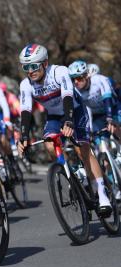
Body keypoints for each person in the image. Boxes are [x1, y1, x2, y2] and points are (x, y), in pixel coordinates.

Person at [17, 44, 111, 215]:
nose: (30, 71)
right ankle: (73, 174)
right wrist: (23, 136)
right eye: (26, 67)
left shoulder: (59, 72)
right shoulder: (26, 84)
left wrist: (68, 121)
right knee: (50, 146)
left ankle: (103, 195)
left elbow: (67, 95)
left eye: (34, 66)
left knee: (83, 150)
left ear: (45, 63)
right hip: (54, 116)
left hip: (74, 111)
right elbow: (25, 111)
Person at [68, 60, 121, 201]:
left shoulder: (99, 80)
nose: (76, 82)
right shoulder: (76, 91)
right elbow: (86, 112)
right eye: (73, 79)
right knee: (99, 145)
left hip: (113, 109)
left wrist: (111, 119)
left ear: (87, 76)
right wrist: (89, 130)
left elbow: (108, 99)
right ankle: (113, 184)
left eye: (79, 78)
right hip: (97, 116)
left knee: (116, 128)